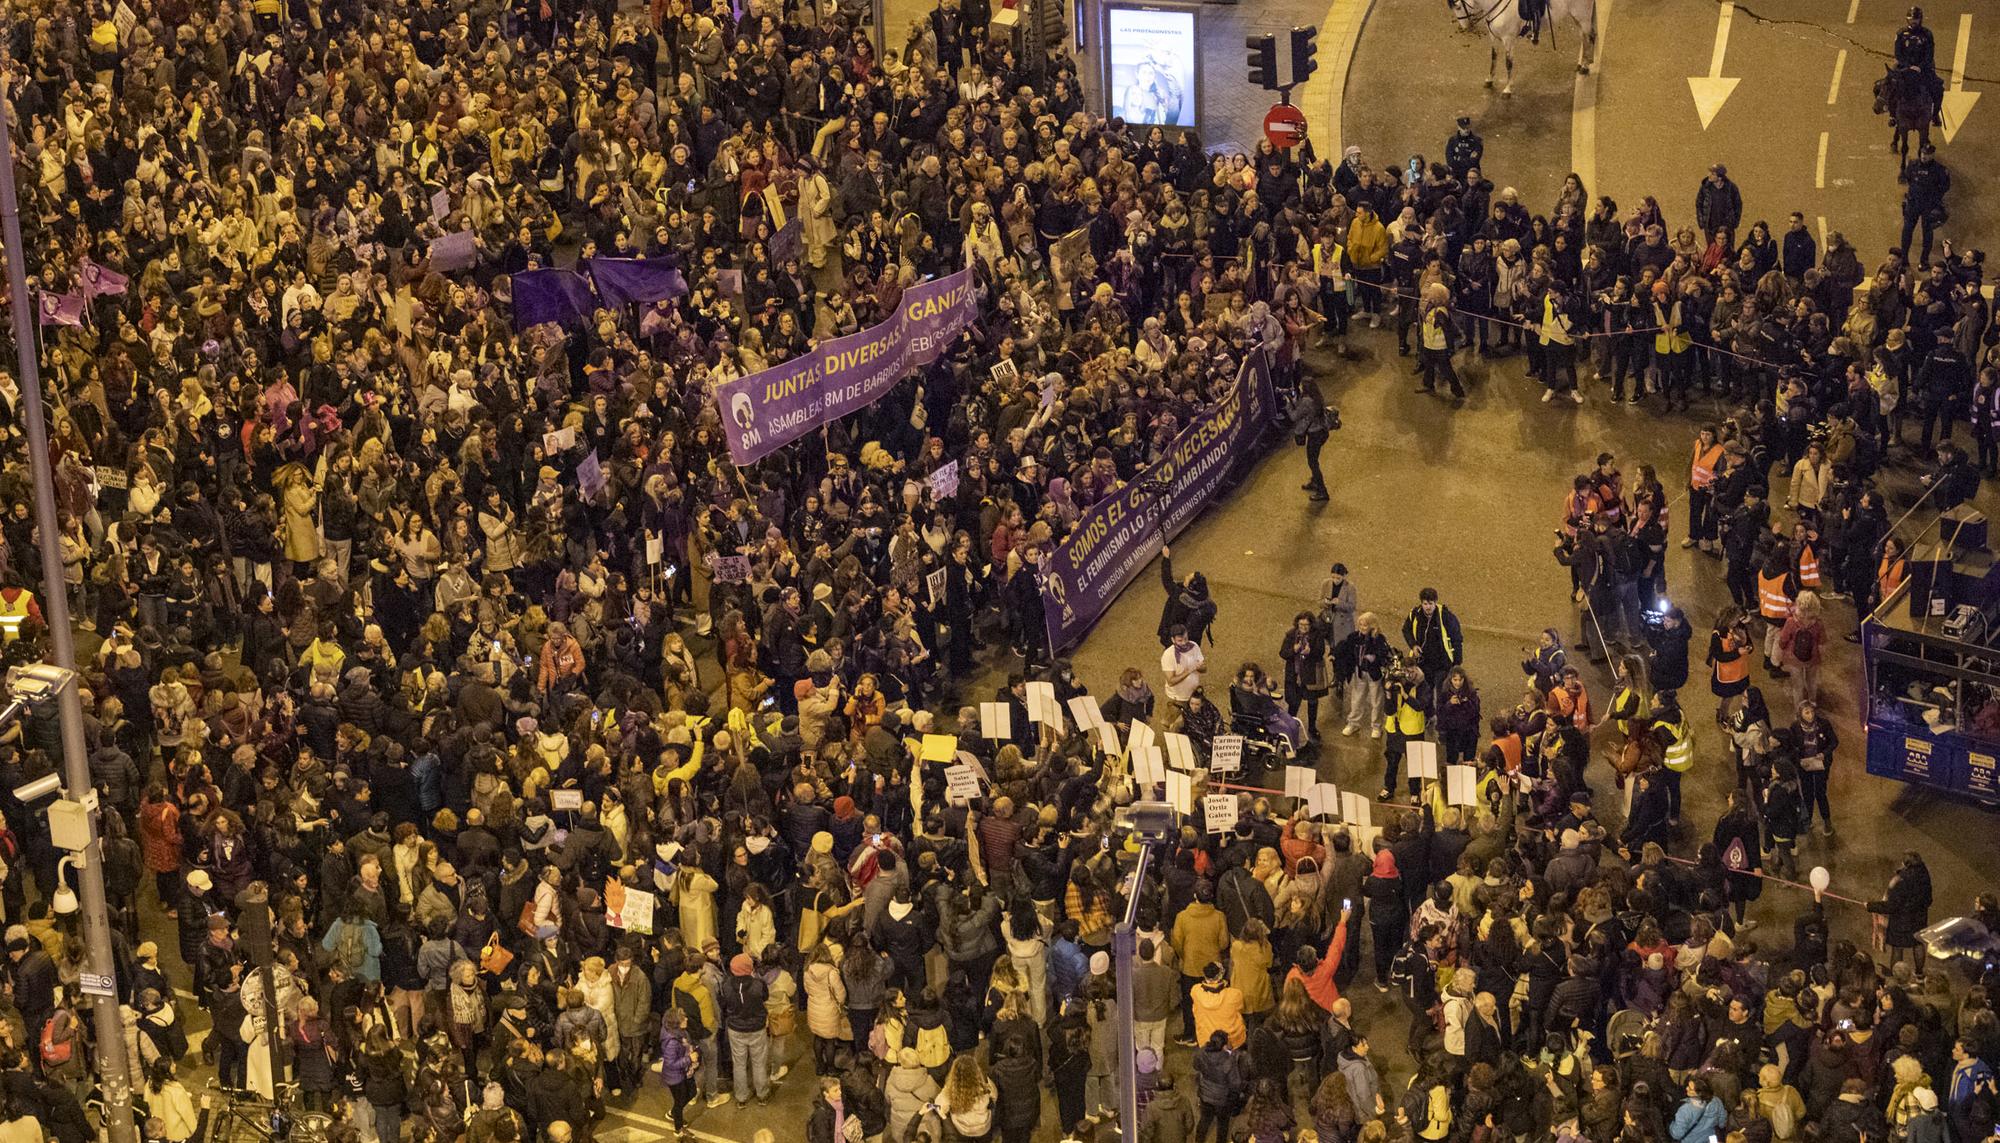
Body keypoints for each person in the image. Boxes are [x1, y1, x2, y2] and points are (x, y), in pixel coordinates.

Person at [1899, 144, 1951, 266]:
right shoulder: (1913, 165)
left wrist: (1934, 198)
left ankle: (1924, 260)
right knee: (1907, 231)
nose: (1924, 156)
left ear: (1932, 155)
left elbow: (1945, 186)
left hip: (1929, 205)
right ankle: (1904, 258)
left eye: (1927, 154)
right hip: (1913, 203)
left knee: (1927, 233)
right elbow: (1908, 179)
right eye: (1923, 153)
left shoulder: (1939, 169)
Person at [1161, 622, 1209, 732]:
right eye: (1180, 640)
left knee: (1190, 723)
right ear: (1173, 640)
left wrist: (1199, 667)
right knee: (1169, 723)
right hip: (1177, 698)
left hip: (1193, 694)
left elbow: (1204, 669)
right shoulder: (1168, 655)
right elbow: (1171, 681)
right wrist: (1189, 671)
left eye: (1186, 639)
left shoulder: (1194, 646)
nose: (1184, 643)